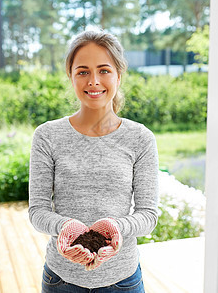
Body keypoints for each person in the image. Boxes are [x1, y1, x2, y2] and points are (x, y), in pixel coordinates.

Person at [29, 29, 159, 293]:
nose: (94, 81)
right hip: (61, 281)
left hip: (123, 281)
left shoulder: (140, 138)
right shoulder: (47, 136)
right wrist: (64, 226)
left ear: (118, 76)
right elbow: (37, 211)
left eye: (104, 70)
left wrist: (117, 227)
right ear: (71, 76)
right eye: (83, 71)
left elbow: (148, 215)